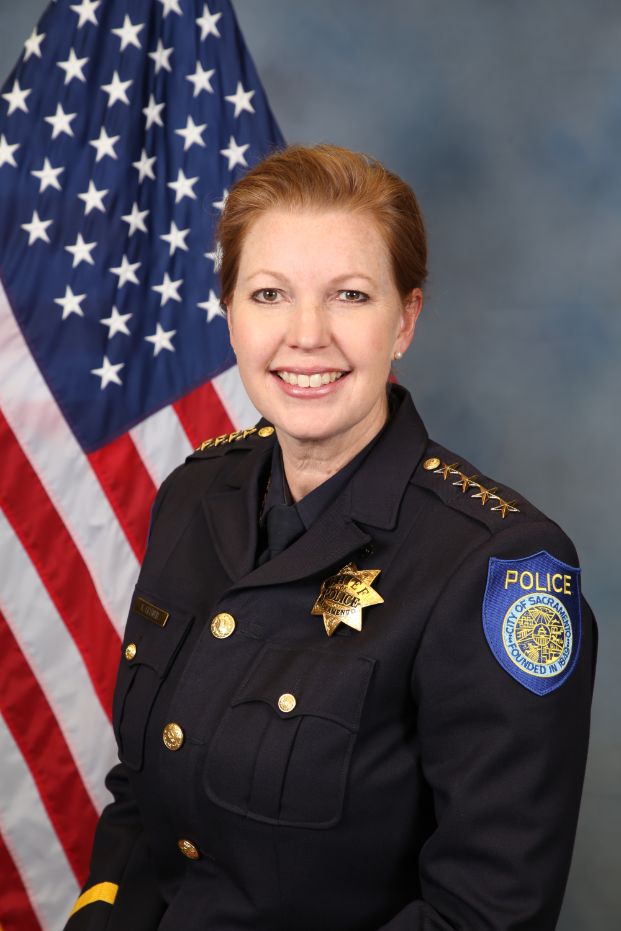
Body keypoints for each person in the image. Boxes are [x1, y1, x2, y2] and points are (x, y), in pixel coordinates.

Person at [64, 144, 596, 931]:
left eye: (349, 295)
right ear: (230, 314)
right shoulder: (193, 496)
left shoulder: (496, 566)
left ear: (404, 319)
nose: (304, 335)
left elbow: (487, 913)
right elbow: (144, 800)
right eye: (270, 293)